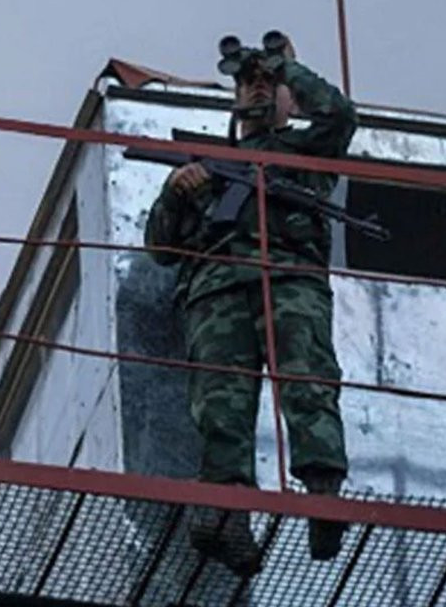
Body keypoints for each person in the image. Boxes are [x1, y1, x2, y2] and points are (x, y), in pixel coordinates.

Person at [144, 31, 356, 574]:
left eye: (267, 83)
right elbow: (160, 249)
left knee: (307, 382)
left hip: (289, 280)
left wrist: (287, 69)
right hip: (216, 292)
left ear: (290, 98)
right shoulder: (211, 161)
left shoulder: (307, 151)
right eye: (246, 83)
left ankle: (324, 496)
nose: (257, 89)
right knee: (220, 406)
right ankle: (227, 516)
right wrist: (176, 191)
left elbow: (339, 115)